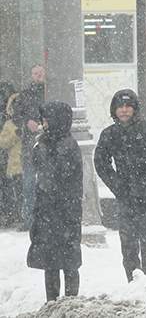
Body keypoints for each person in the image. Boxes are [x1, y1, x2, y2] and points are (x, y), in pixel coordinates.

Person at [94, 90, 146, 282]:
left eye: (127, 106)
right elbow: (101, 162)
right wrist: (118, 186)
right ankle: (133, 281)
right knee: (128, 244)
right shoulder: (109, 134)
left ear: (135, 108)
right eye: (119, 107)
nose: (123, 110)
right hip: (126, 198)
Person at [27, 101, 81, 301]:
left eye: (46, 120)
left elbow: (53, 177)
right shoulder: (47, 142)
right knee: (55, 260)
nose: (43, 124)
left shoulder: (64, 145)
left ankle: (67, 301)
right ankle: (55, 301)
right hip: (53, 211)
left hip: (62, 211)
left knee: (65, 260)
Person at [13, 65, 45, 230]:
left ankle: (45, 219)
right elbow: (16, 115)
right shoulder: (24, 94)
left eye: (41, 73)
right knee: (29, 183)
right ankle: (30, 220)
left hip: (48, 143)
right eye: (35, 73)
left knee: (46, 183)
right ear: (31, 75)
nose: (38, 76)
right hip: (29, 144)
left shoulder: (50, 91)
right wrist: (27, 122)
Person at [0, 93, 24, 228]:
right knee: (17, 193)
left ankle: (24, 216)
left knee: (25, 193)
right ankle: (17, 216)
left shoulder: (29, 121)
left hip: (28, 164)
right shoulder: (9, 124)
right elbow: (2, 143)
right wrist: (15, 134)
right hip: (15, 165)